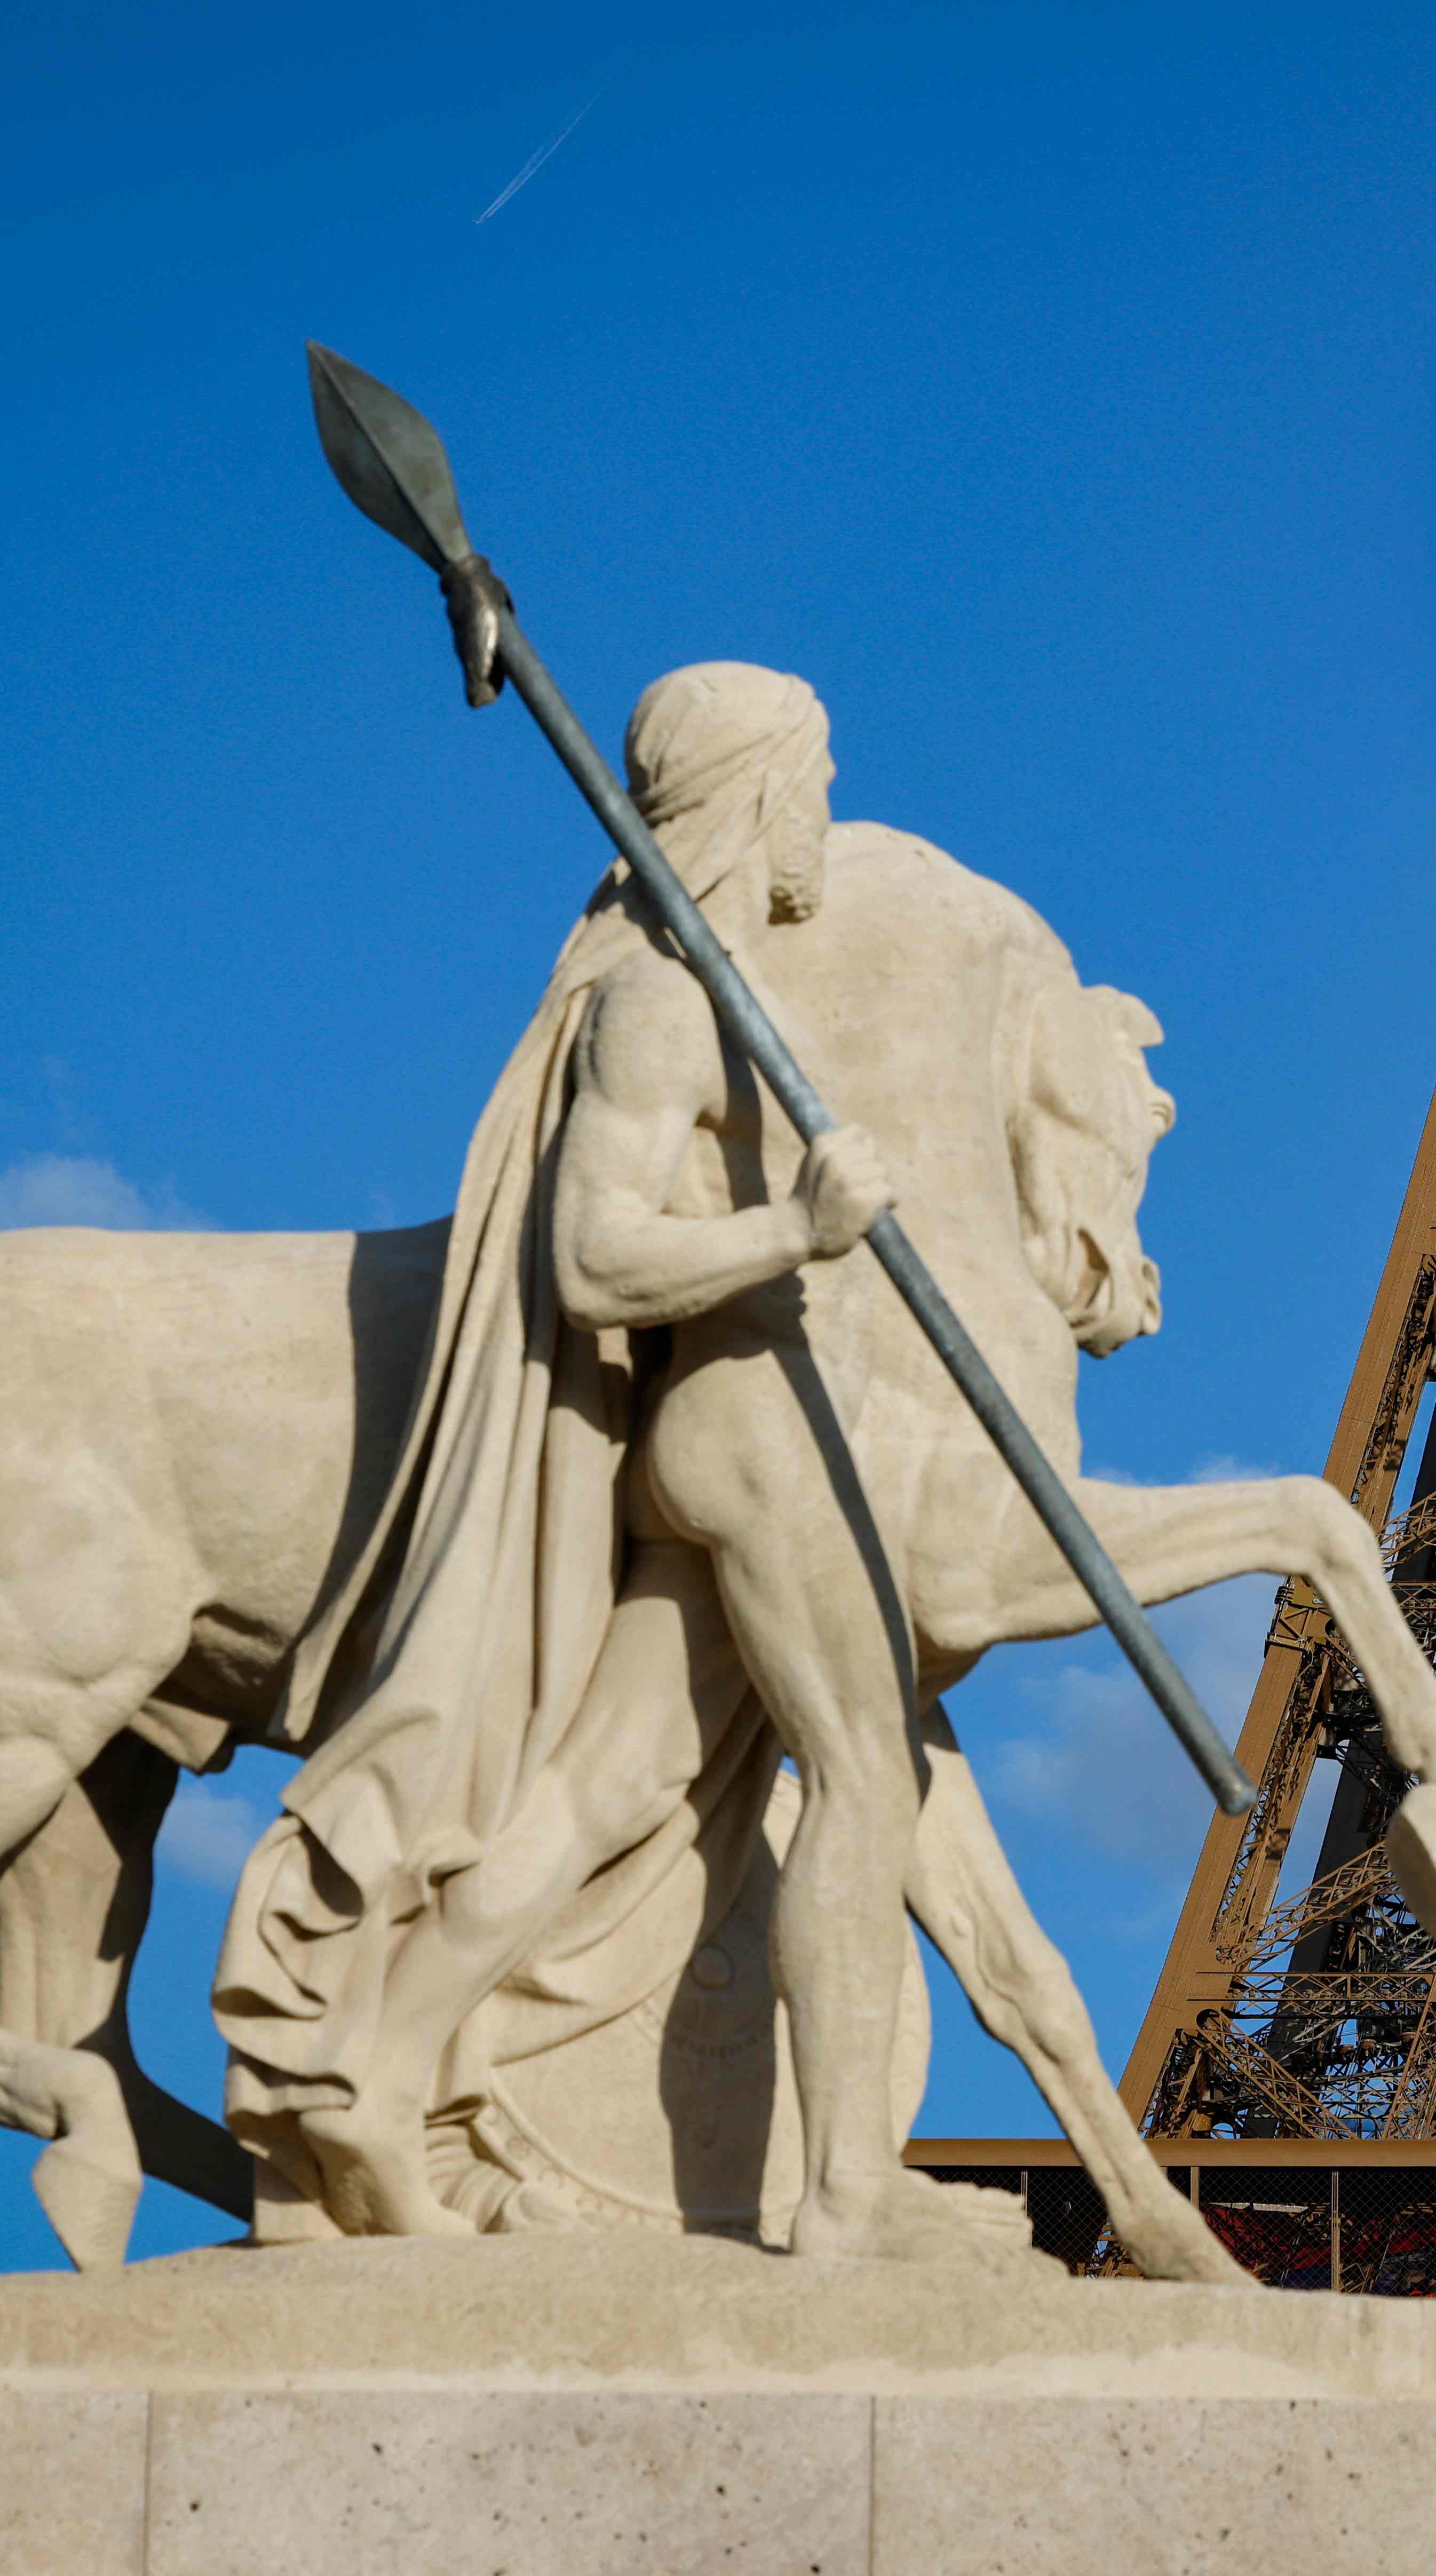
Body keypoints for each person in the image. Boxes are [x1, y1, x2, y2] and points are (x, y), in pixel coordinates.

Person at [219, 663, 893, 2239]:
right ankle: (852, 2201)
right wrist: (795, 1225)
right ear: (754, 791)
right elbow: (591, 1256)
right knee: (868, 1777)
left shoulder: (711, 984)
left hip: (721, 1446)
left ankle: (377, 2078)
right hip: (752, 1446)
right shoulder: (663, 999)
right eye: (818, 777)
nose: (828, 816)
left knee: (602, 1794)